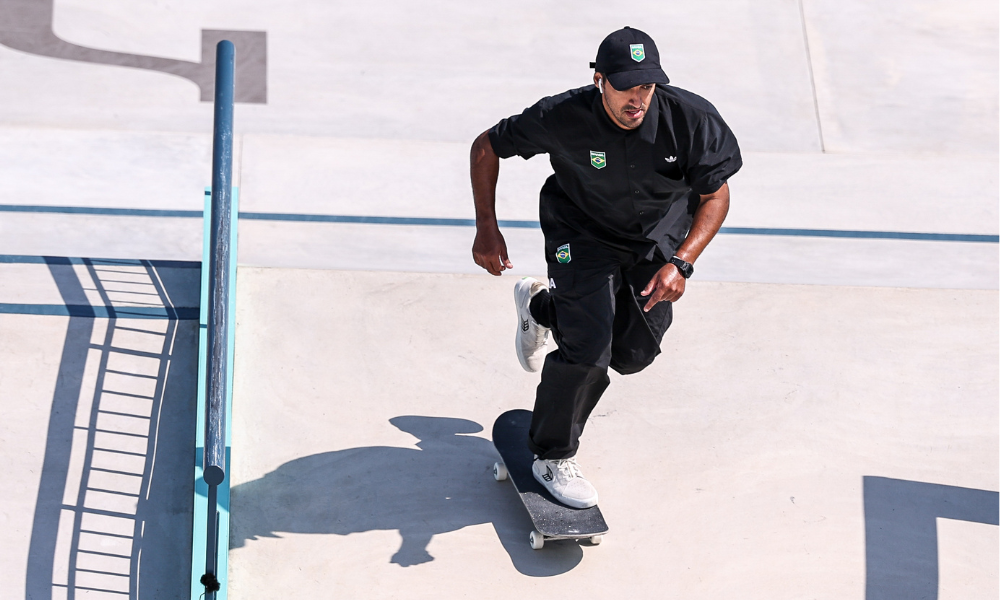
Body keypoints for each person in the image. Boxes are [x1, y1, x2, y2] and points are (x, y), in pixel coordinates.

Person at [470, 26, 742, 508]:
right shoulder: (562, 115)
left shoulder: (691, 119)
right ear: (600, 80)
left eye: (647, 86)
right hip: (581, 233)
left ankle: (542, 307)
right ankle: (552, 454)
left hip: (656, 242)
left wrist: (683, 261)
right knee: (588, 351)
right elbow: (486, 146)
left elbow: (715, 194)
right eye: (626, 86)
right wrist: (487, 228)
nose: (637, 98)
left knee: (633, 353)